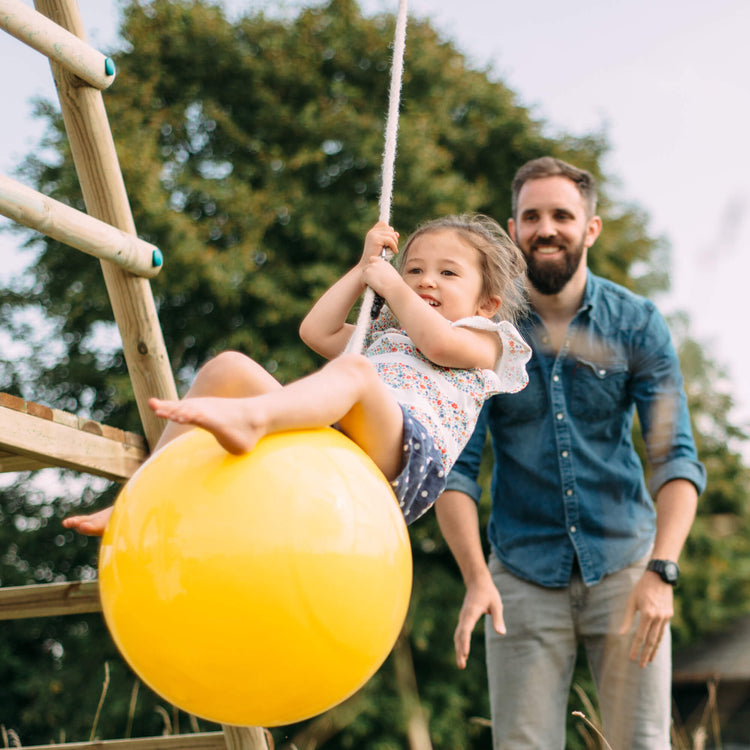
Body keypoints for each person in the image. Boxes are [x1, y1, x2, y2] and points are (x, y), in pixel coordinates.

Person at [436, 157, 706, 749]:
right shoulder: (481, 332)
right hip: (520, 577)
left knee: (643, 743)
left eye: (562, 214)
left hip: (626, 569)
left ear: (591, 228)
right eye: (532, 216)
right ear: (513, 229)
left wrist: (661, 569)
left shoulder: (636, 324)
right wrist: (477, 577)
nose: (546, 228)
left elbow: (675, 458)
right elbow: (457, 469)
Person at [64, 215, 531, 536]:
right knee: (228, 367)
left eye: (448, 273)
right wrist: (364, 269)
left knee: (354, 371)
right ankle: (139, 501)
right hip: (342, 443)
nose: (426, 280)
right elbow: (317, 330)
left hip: (407, 463)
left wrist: (391, 285)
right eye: (415, 270)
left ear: (485, 303)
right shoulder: (386, 338)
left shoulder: (487, 340)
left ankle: (254, 421)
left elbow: (438, 344)